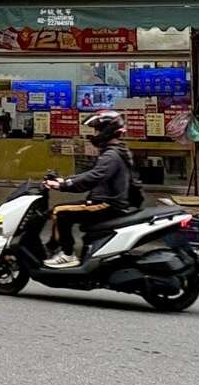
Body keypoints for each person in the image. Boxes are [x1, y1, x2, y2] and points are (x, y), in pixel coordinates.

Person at [43, 110, 136, 268]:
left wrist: (63, 185)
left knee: (59, 212)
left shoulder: (111, 155)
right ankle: (54, 248)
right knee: (59, 211)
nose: (95, 134)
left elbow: (94, 177)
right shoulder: (114, 151)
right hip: (106, 202)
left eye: (97, 130)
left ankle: (67, 254)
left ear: (106, 131)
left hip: (106, 204)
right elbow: (91, 174)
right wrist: (65, 180)